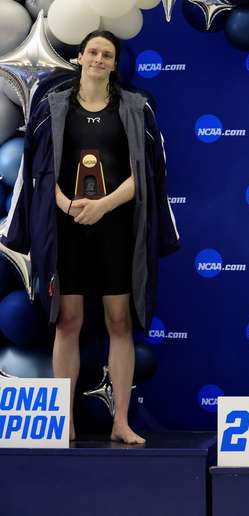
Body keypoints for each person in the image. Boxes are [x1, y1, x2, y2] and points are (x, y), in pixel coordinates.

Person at [2, 30, 180, 444]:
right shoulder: (53, 105)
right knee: (68, 321)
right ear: (80, 58)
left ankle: (120, 421)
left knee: (120, 323)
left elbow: (149, 174)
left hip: (117, 230)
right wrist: (65, 205)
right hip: (66, 232)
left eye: (108, 54)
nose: (99, 59)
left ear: (115, 64)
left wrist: (103, 205)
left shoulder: (137, 108)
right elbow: (37, 170)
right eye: (93, 52)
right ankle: (63, 421)